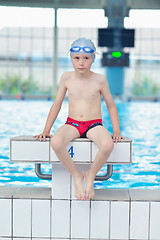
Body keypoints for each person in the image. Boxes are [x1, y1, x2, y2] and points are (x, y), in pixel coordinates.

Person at [34, 38, 124, 201]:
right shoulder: (66, 78)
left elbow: (111, 105)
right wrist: (46, 130)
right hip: (72, 123)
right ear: (71, 58)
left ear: (93, 59)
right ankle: (76, 175)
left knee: (107, 145)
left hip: (94, 125)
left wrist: (116, 131)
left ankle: (90, 175)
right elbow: (57, 104)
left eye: (86, 58)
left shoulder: (100, 80)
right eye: (77, 58)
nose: (81, 63)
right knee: (56, 142)